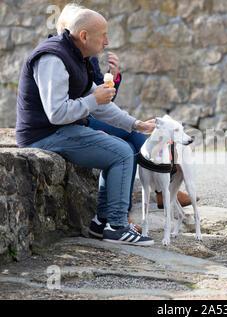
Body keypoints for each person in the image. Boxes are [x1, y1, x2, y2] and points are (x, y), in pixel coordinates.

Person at [16, 8, 155, 246]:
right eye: (103, 35)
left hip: (60, 130)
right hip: (43, 135)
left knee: (121, 148)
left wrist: (135, 124)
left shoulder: (76, 56)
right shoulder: (53, 58)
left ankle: (102, 223)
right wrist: (93, 100)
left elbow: (99, 103)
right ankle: (117, 226)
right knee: (122, 152)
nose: (107, 41)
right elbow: (57, 113)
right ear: (84, 36)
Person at [55, 4, 197, 220]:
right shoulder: (59, 55)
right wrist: (99, 99)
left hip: (90, 114)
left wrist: (114, 75)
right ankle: (130, 209)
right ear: (75, 29)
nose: (106, 41)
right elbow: (87, 101)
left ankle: (154, 193)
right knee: (127, 145)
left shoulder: (84, 54)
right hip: (79, 119)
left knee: (136, 136)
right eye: (102, 35)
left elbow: (103, 97)